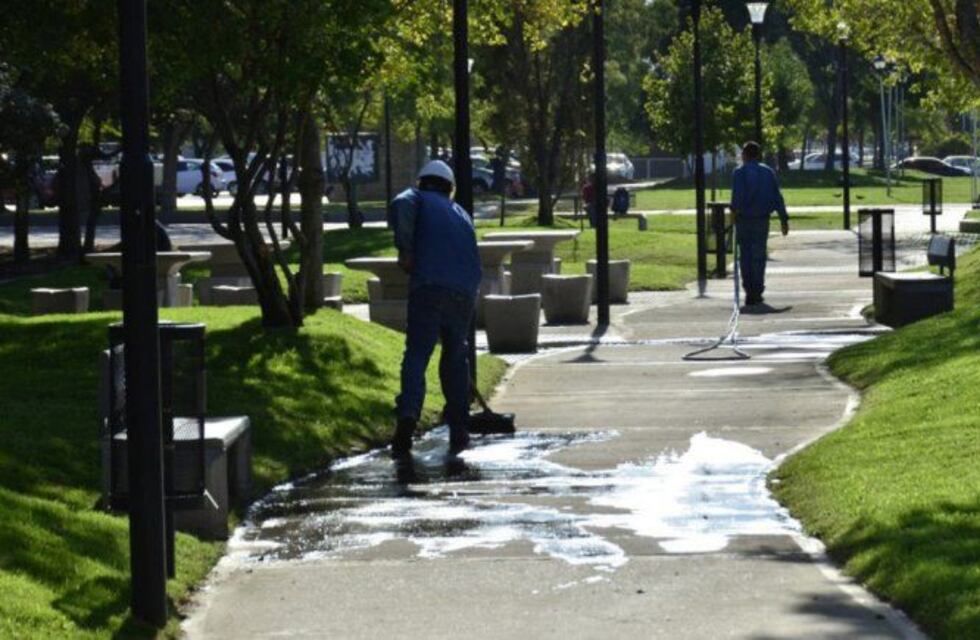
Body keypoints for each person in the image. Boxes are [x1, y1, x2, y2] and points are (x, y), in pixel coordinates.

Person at [387, 160, 482, 460]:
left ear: (422, 182)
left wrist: (406, 250)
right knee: (455, 358)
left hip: (428, 285)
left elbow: (400, 203)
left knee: (417, 353)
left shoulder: (416, 198)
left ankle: (409, 414)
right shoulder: (461, 214)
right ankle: (459, 427)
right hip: (464, 292)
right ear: (449, 188)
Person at [730, 141, 789, 307]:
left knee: (745, 256)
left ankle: (749, 289)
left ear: (745, 155)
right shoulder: (767, 172)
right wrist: (783, 219)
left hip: (743, 219)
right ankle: (757, 290)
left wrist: (733, 213)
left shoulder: (739, 173)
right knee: (759, 255)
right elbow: (777, 197)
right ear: (758, 155)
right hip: (761, 219)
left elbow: (736, 197)